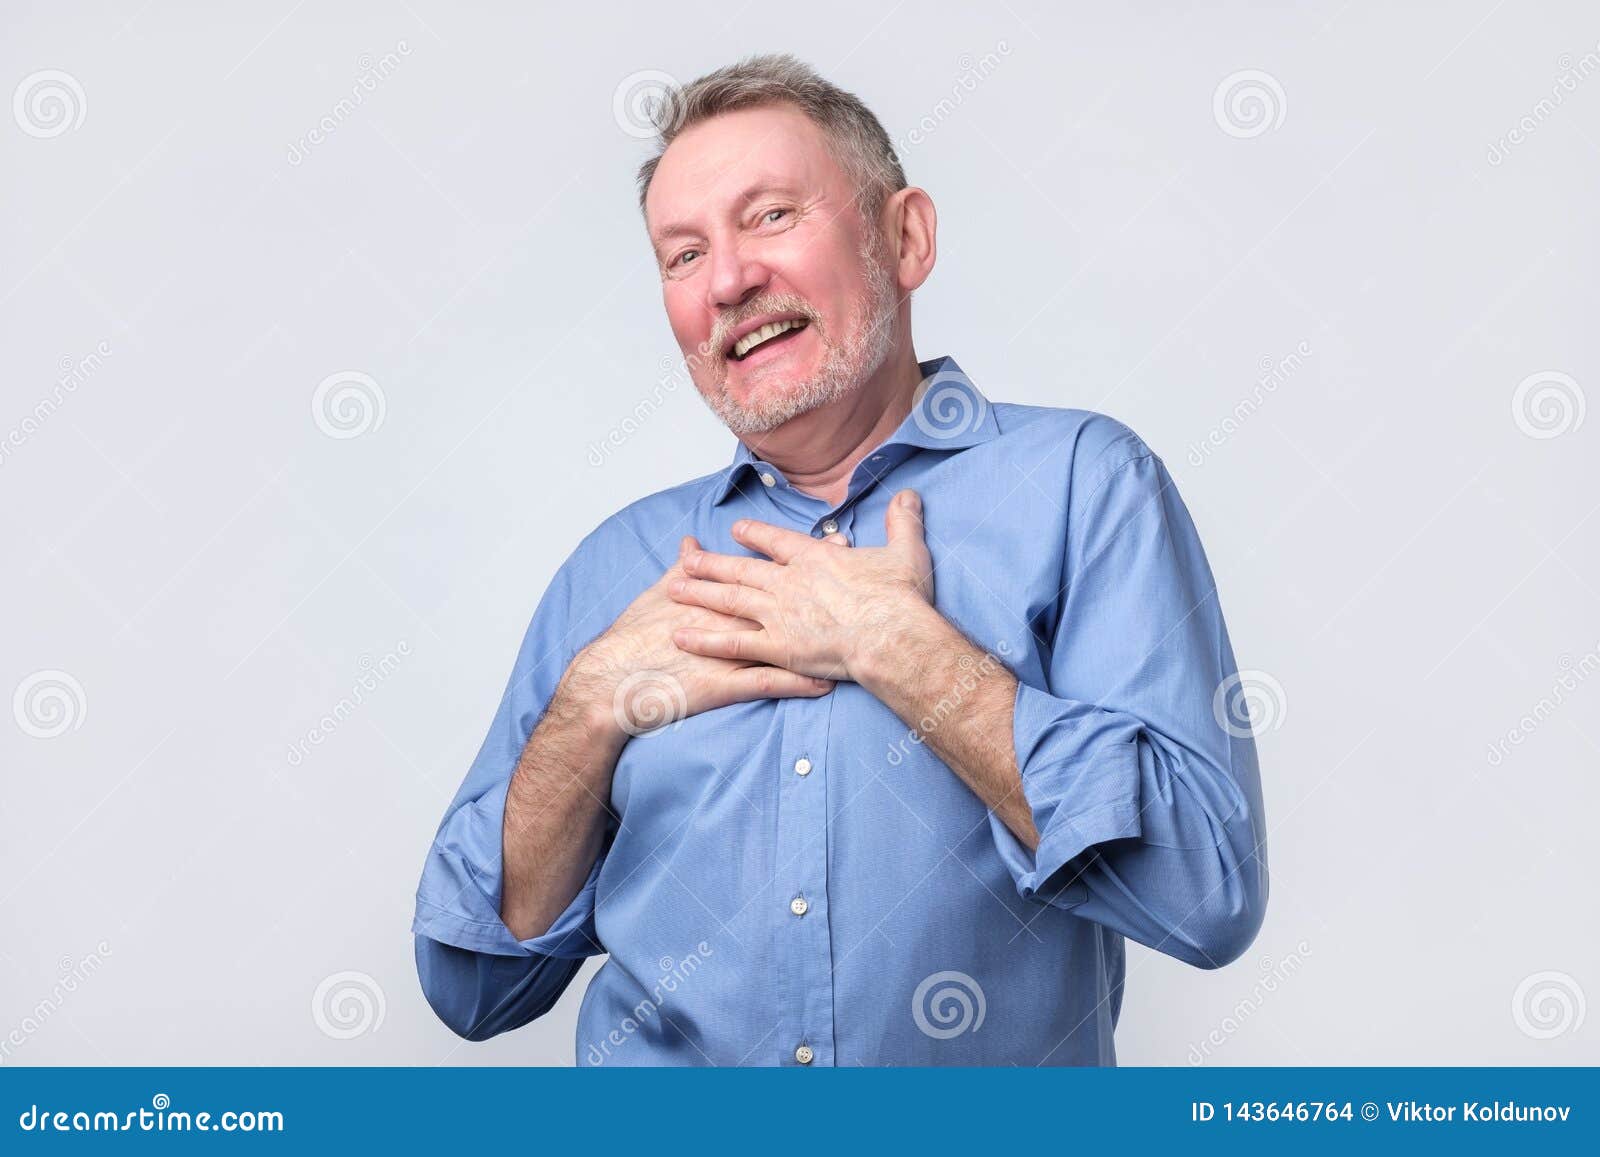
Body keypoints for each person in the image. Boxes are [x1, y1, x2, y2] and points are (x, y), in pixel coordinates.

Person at [411, 53, 1268, 1066]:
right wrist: (586, 707)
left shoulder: (1086, 487)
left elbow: (1204, 891)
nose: (727, 279)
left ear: (904, 237)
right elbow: (472, 984)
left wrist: (909, 654)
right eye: (681, 255)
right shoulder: (615, 569)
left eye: (771, 215)